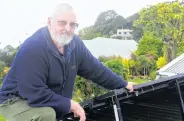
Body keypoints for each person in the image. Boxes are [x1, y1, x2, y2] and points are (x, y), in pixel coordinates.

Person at [0, 3, 135, 121]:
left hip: (41, 97)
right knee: (45, 115)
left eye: (72, 24)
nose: (68, 28)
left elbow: (96, 70)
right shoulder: (33, 48)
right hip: (14, 99)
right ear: (49, 22)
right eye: (62, 23)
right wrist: (70, 104)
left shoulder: (75, 44)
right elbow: (34, 93)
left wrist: (123, 84)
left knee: (59, 111)